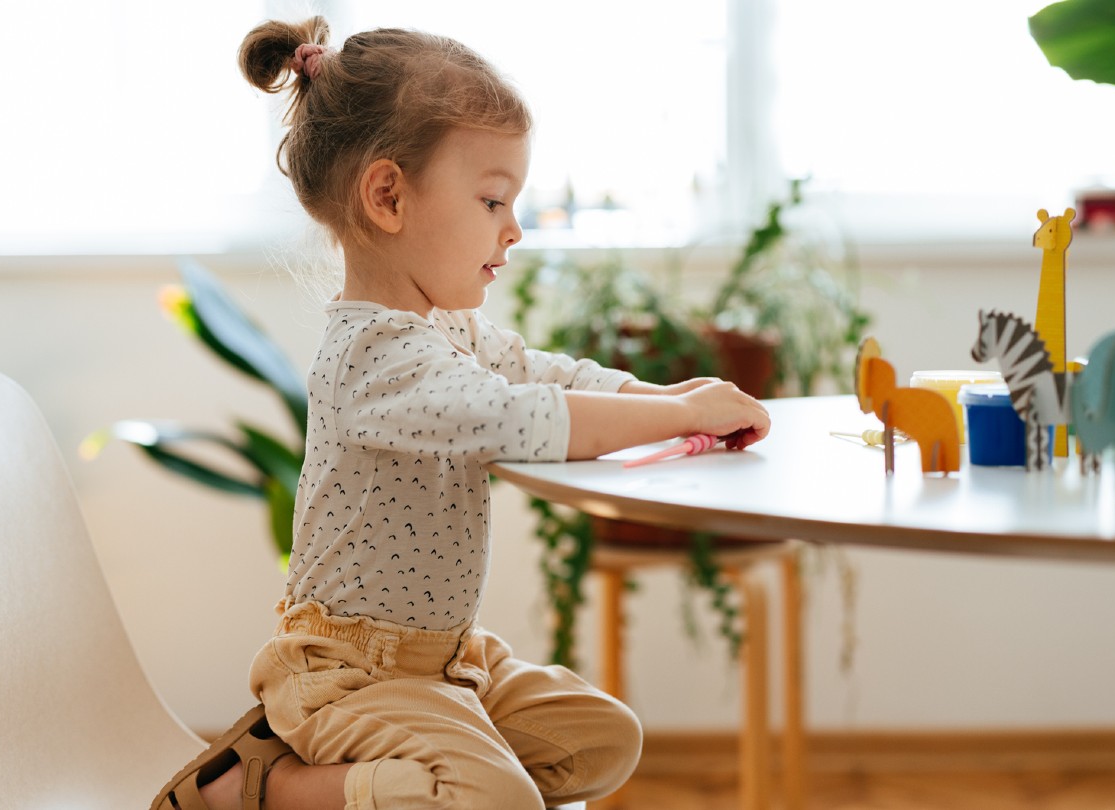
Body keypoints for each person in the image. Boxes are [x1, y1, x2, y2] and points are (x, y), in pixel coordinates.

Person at [151, 16, 771, 810]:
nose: (512, 229)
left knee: (602, 740)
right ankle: (265, 789)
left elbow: (543, 372)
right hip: (345, 673)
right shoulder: (374, 358)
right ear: (388, 196)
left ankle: (426, 783)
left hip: (445, 659)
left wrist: (673, 401)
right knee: (495, 799)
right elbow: (518, 415)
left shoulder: (446, 328)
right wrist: (670, 415)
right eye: (491, 199)